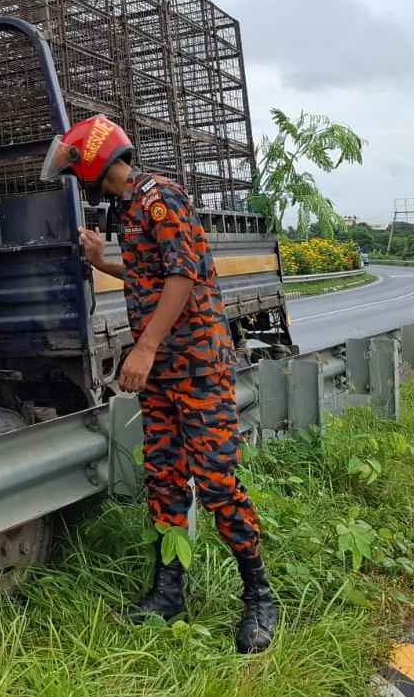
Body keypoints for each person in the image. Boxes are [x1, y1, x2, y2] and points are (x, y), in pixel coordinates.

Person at [41, 114, 277, 653]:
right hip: (163, 376)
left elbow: (182, 275)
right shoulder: (128, 209)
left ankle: (260, 596)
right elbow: (150, 275)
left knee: (217, 482)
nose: (78, 179)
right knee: (165, 480)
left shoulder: (160, 197)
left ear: (96, 160)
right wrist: (102, 261)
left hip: (197, 366)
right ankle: (169, 593)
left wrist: (144, 347)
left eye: (78, 169)